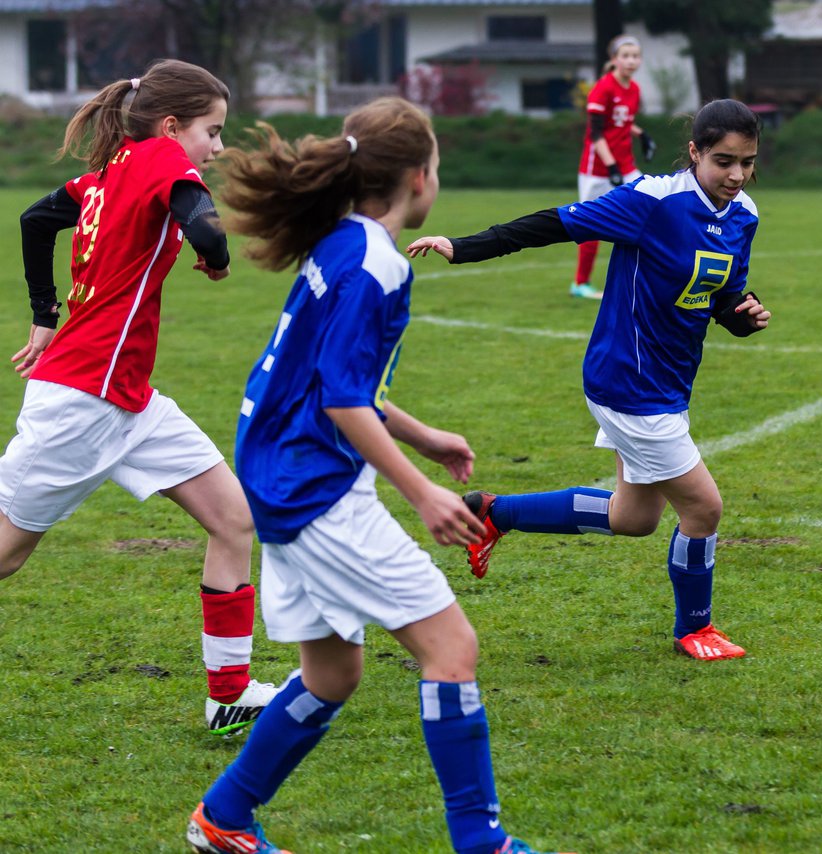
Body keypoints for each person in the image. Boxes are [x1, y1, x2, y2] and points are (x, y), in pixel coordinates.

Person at [185, 97, 566, 854]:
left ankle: (222, 818)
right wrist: (422, 492)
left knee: (332, 674)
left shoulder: (344, 243)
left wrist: (422, 437)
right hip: (314, 488)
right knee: (450, 649)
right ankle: (481, 842)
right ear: (419, 180)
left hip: (280, 473)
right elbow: (342, 398)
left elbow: (335, 380)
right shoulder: (374, 264)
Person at [408, 99, 770, 661]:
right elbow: (555, 224)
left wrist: (741, 317)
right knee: (704, 509)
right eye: (724, 160)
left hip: (670, 382)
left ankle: (492, 514)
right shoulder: (653, 202)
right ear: (694, 152)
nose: (737, 175)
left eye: (747, 162)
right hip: (629, 380)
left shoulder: (743, 214)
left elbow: (720, 295)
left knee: (634, 518)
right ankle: (694, 628)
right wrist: (464, 247)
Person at [9, 59, 274, 735]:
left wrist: (45, 315)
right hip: (80, 401)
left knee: (233, 518)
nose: (217, 147)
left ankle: (229, 695)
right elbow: (208, 228)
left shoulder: (109, 171)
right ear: (171, 126)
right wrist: (213, 259)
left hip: (125, 398)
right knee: (6, 554)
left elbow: (36, 219)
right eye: (212, 132)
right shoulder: (159, 160)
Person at [570, 34, 657, 300]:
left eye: (635, 55)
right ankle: (580, 284)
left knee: (653, 208)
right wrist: (610, 166)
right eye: (626, 55)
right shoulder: (602, 88)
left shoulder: (634, 89)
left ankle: (649, 275)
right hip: (598, 168)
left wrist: (641, 135)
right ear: (614, 59)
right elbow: (596, 134)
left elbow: (621, 121)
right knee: (588, 224)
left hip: (625, 164)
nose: (631, 61)